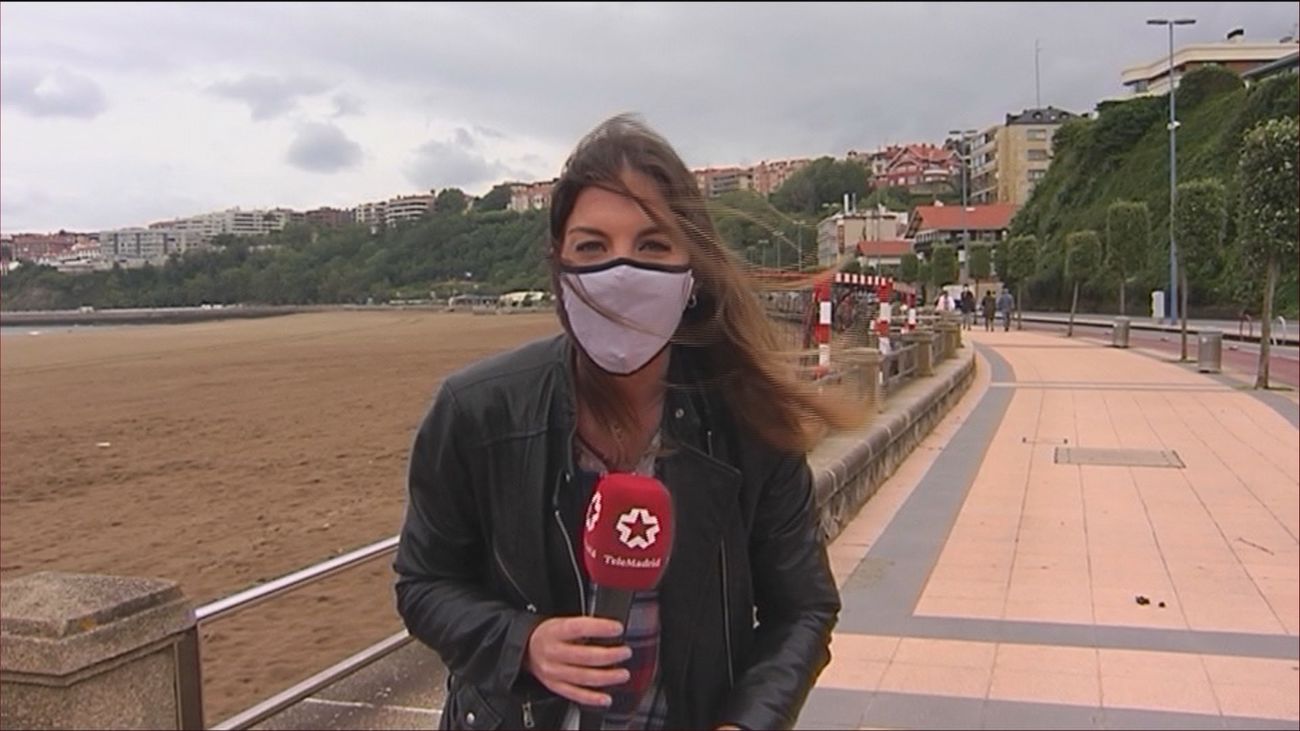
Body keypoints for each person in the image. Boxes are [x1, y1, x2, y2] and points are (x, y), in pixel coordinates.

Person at [395, 114, 853, 731]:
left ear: (692, 272)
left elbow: (802, 608)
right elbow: (424, 582)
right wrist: (522, 642)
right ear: (559, 268)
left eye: (652, 246)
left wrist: (745, 724)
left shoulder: (750, 422)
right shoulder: (476, 412)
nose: (621, 273)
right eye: (592, 247)